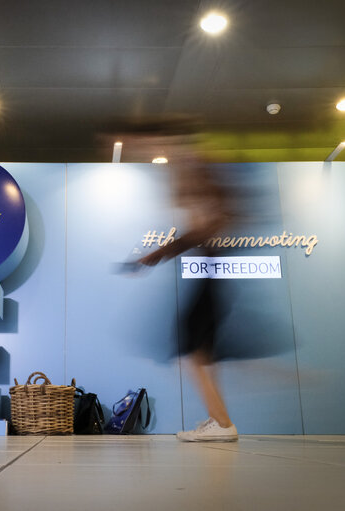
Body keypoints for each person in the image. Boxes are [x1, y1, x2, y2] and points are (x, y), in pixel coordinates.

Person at [132, 137, 238, 442]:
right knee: (199, 354)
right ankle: (221, 421)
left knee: (195, 352)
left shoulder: (209, 199)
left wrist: (157, 253)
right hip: (211, 282)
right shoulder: (209, 197)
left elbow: (199, 232)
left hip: (210, 284)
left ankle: (223, 424)